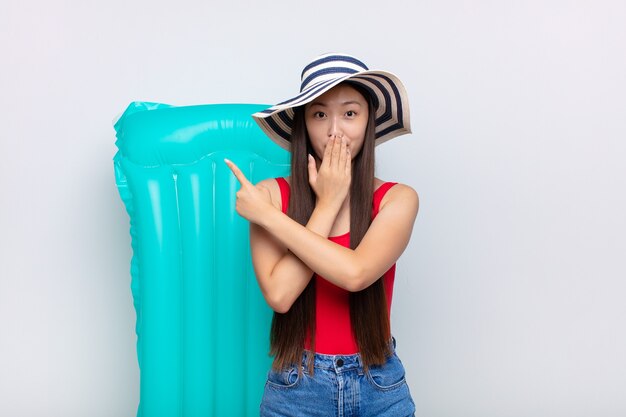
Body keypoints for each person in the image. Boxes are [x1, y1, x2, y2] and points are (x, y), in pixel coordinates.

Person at [224, 52, 419, 417]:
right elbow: (281, 296)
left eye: (350, 113)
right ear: (303, 125)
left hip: (378, 384)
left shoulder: (396, 199)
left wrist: (269, 217)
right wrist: (326, 205)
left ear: (369, 122)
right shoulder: (270, 194)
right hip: (296, 387)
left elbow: (356, 274)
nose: (335, 130)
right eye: (319, 114)